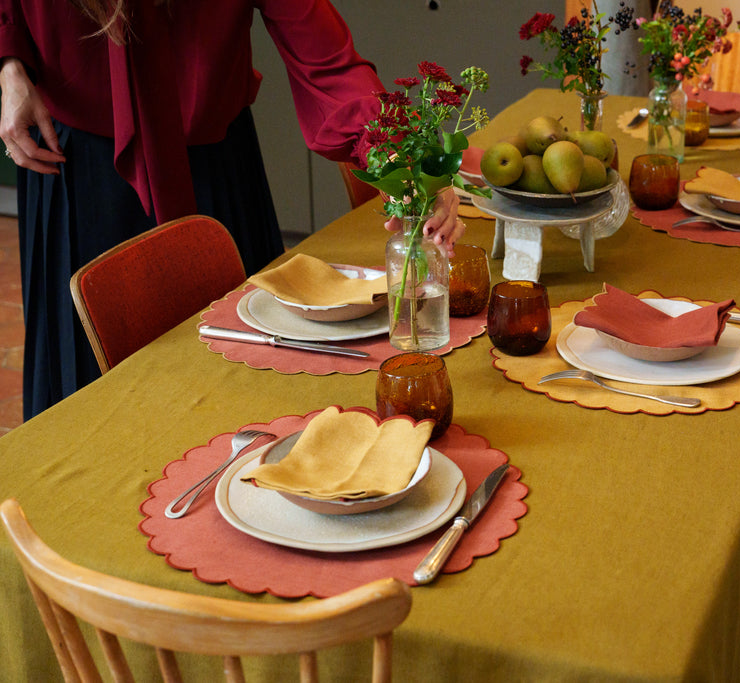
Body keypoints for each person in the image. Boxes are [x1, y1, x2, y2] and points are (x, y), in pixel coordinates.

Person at [0, 0, 464, 421]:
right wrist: (9, 63)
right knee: (90, 407)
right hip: (76, 164)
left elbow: (326, 60)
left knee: (248, 393)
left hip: (213, 164)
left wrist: (408, 159)